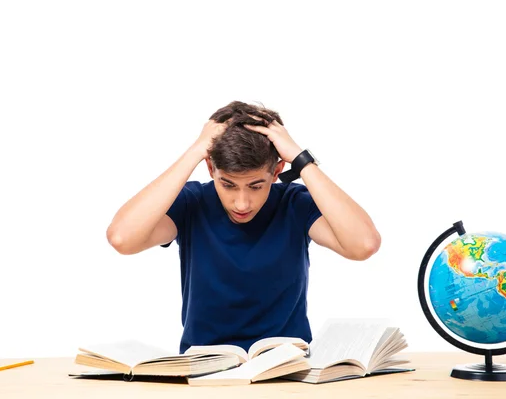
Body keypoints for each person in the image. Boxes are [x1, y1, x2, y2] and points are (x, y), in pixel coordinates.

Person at [106, 101, 381, 353]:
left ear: (277, 171)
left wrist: (301, 159)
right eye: (228, 185)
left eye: (255, 186)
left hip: (286, 367)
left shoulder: (293, 203)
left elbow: (363, 245)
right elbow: (122, 238)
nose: (241, 203)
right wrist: (195, 151)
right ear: (211, 169)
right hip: (205, 366)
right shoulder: (192, 203)